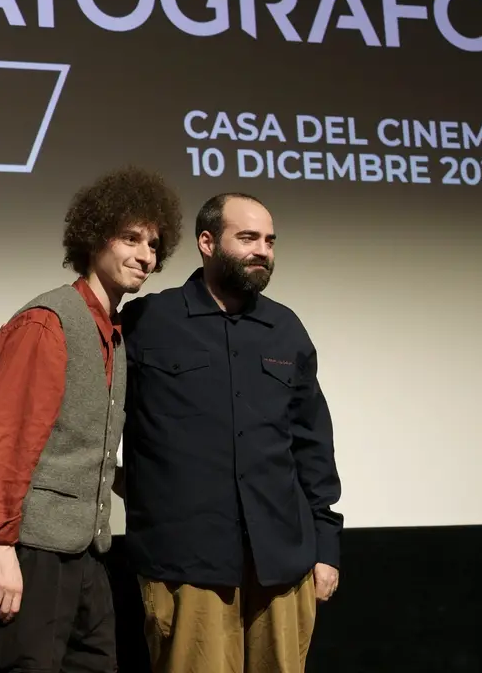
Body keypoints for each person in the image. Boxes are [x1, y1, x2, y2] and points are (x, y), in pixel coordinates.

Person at [0, 166, 184, 673]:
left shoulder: (115, 335)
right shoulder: (49, 321)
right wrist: (0, 546)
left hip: (86, 553)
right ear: (93, 237)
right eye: (130, 238)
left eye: (153, 244)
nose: (145, 255)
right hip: (30, 552)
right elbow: (2, 436)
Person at [119, 192, 343, 673]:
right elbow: (99, 422)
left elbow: (312, 446)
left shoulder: (286, 329)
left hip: (282, 567)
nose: (262, 249)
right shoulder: (148, 322)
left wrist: (326, 548)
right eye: (247, 237)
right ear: (207, 242)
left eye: (270, 240)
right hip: (186, 565)